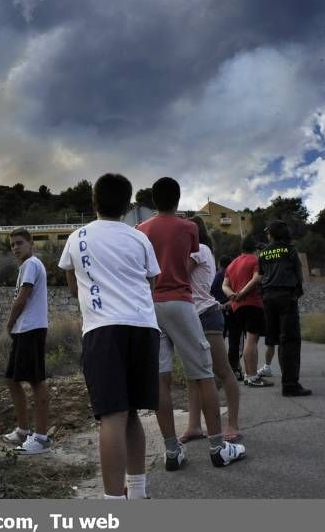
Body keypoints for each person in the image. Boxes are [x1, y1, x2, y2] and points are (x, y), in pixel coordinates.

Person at [58, 173, 161, 499]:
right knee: (132, 413)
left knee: (112, 416)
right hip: (144, 328)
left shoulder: (77, 238)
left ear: (93, 202)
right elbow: (152, 284)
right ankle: (138, 493)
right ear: (128, 204)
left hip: (103, 330)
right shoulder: (140, 237)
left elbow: (73, 285)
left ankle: (113, 502)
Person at [137, 177, 245, 470]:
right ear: (178, 198)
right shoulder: (189, 228)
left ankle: (172, 451)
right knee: (203, 374)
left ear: (153, 199)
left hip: (151, 305)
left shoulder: (140, 230)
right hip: (181, 303)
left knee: (161, 378)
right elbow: (188, 262)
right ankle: (217, 447)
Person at [179, 216, 242, 444]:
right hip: (191, 316)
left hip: (206, 315)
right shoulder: (196, 250)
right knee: (192, 377)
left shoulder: (199, 249)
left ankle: (232, 423)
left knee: (223, 371)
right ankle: (194, 426)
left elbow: (179, 276)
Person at [246, 220, 312, 397]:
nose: (267, 235)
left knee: (276, 340)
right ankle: (290, 385)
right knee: (289, 341)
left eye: (269, 232)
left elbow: (260, 276)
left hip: (268, 299)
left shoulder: (264, 252)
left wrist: (264, 294)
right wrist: (296, 294)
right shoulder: (290, 250)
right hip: (286, 298)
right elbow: (299, 274)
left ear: (273, 233)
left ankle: (288, 383)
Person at [3, 228, 51, 455]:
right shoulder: (26, 266)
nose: (15, 248)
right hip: (25, 329)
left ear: (31, 244)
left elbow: (22, 298)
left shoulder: (31, 264)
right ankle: (23, 430)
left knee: (35, 381)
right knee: (12, 379)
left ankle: (41, 438)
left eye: (19, 243)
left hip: (31, 328)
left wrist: (9, 323)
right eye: (12, 245)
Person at [224, 235, 272, 386]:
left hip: (236, 307)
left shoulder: (231, 264)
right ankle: (252, 376)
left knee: (247, 340)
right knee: (252, 340)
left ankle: (247, 375)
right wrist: (242, 294)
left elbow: (224, 285)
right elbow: (257, 278)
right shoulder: (255, 260)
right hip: (252, 303)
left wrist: (232, 295)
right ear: (255, 248)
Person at [212, 255, 243, 381]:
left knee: (220, 340)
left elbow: (212, 292)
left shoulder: (217, 275)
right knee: (235, 341)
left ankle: (220, 370)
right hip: (233, 309)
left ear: (219, 264)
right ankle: (234, 369)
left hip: (219, 310)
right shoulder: (233, 273)